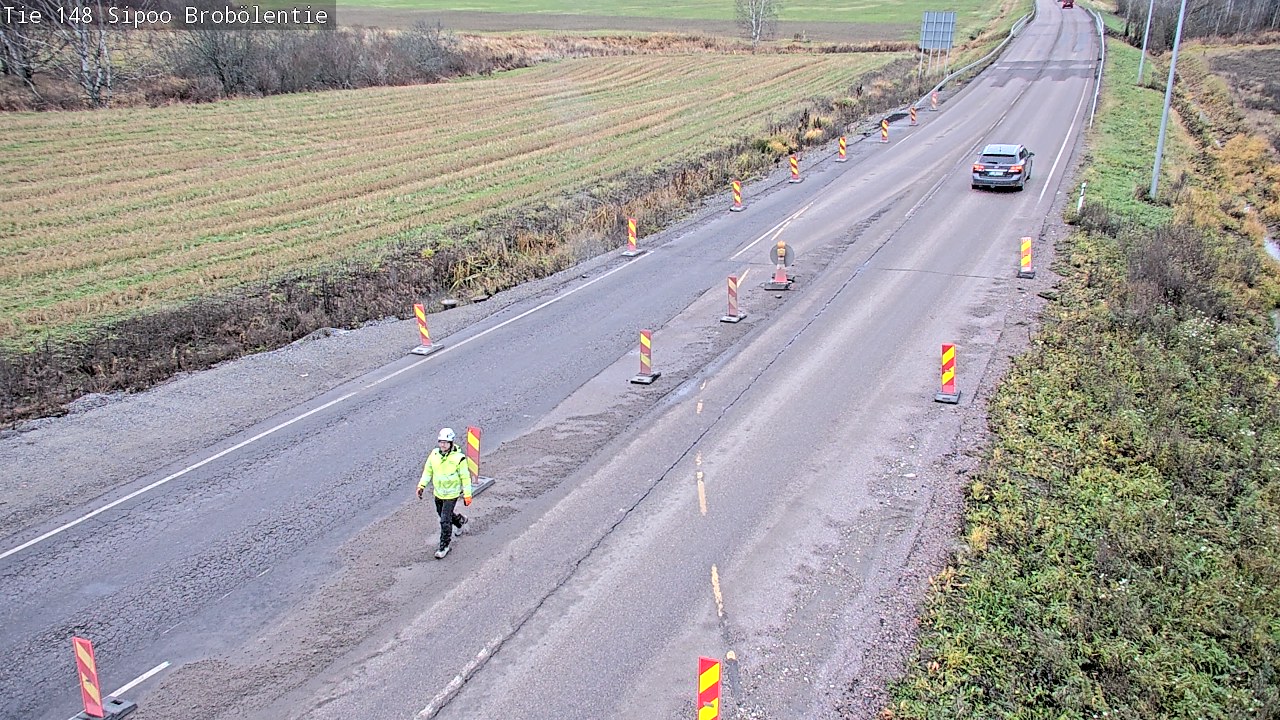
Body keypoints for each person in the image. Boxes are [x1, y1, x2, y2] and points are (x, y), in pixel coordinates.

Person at [416, 427, 473, 559]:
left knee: (444, 520)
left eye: (446, 442)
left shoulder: (459, 458)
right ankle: (460, 521)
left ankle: (444, 546)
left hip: (452, 494)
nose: (443, 445)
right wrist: (421, 486)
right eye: (441, 442)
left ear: (451, 443)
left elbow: (465, 477)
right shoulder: (434, 455)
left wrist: (467, 494)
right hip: (438, 493)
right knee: (442, 514)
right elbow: (428, 471)